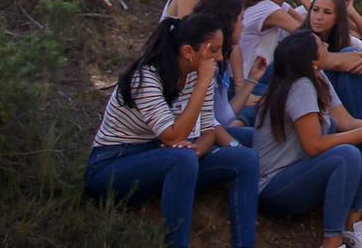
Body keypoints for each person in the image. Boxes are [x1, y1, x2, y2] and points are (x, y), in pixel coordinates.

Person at [85, 13, 259, 248]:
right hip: (113, 163)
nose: (219, 58)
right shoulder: (145, 77)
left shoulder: (199, 75)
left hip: (163, 156)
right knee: (182, 158)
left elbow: (208, 131)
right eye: (214, 50)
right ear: (188, 52)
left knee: (246, 159)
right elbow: (174, 136)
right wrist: (181, 151)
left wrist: (193, 153)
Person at [254, 30, 362, 248]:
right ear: (310, 60)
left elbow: (346, 122)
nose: (327, 45)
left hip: (300, 173)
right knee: (346, 155)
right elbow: (314, 146)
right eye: (321, 45)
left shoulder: (317, 78)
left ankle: (352, 224)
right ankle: (332, 242)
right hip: (274, 187)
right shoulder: (301, 87)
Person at [241, 0, 312, 117]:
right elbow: (309, 37)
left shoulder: (278, 6)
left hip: (264, 71)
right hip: (249, 78)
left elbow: (316, 30)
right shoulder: (268, 9)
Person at [194, 0, 264, 143]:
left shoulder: (221, 61)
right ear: (227, 23)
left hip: (217, 131)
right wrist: (233, 145)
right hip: (200, 139)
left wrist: (252, 80)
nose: (243, 26)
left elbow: (224, 115)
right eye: (240, 20)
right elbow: (208, 123)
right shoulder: (201, 63)